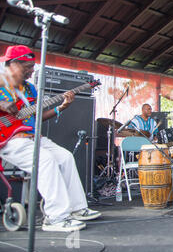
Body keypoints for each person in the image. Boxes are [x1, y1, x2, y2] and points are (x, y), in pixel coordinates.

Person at [0, 45, 100, 232]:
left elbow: (36, 116)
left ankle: (78, 208)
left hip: (31, 136)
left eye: (32, 66)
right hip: (9, 139)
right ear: (12, 64)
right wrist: (3, 103)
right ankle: (55, 218)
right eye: (27, 67)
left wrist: (59, 108)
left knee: (65, 157)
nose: (31, 71)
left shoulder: (29, 89)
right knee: (45, 160)